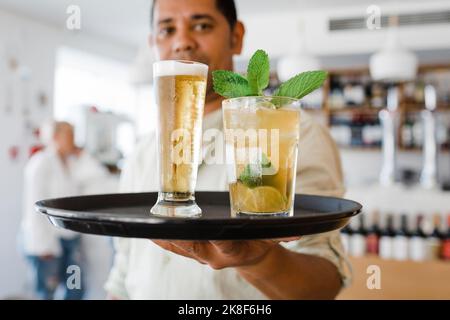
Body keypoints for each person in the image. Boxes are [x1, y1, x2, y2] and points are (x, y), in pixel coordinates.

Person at [105, 0, 351, 300]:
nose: (182, 41)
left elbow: (323, 285)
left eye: (201, 25)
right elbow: (122, 276)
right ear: (152, 43)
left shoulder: (290, 131)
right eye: (167, 30)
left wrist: (258, 259)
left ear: (236, 37)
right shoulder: (142, 153)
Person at [21, 121, 108, 299]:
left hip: (69, 240)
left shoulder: (73, 163)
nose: (73, 141)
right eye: (68, 136)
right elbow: (33, 207)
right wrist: (43, 247)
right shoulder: (41, 163)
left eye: (73, 135)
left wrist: (83, 155)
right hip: (46, 243)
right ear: (55, 138)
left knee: (75, 288)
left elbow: (99, 177)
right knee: (47, 292)